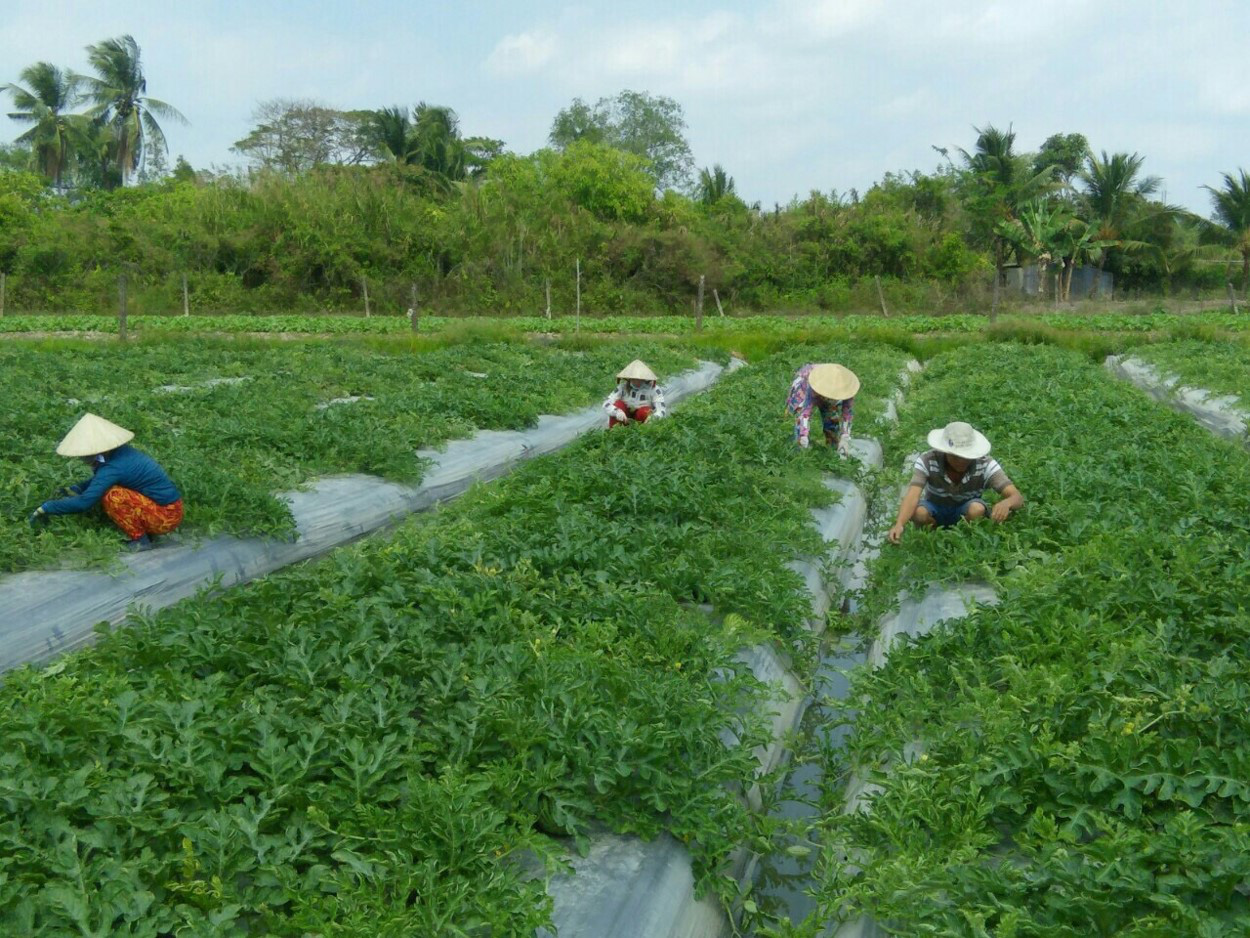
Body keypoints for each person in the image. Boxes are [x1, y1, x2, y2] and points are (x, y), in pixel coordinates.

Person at [29, 413, 184, 552]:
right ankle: (146, 534)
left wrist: (48, 507)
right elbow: (101, 479)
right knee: (112, 489)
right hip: (168, 509)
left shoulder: (113, 467)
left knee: (113, 495)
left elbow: (84, 503)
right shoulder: (120, 453)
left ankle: (140, 540)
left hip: (166, 517)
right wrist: (77, 488)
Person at [887, 420, 1023, 544]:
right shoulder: (928, 461)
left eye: (966, 456)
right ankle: (933, 542)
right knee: (920, 513)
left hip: (966, 509)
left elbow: (1017, 497)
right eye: (956, 457)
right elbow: (913, 495)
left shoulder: (986, 464)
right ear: (945, 451)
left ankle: (964, 542)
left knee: (977, 509)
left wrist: (1007, 502)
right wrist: (900, 523)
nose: (961, 461)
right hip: (935, 507)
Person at [786, 362, 859, 455]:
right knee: (799, 418)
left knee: (831, 418)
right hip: (806, 386)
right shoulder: (813, 384)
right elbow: (805, 412)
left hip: (824, 392)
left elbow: (847, 413)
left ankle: (833, 449)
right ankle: (798, 451)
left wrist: (845, 436)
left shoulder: (847, 388)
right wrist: (803, 435)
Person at [604, 360, 667, 428]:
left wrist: (653, 418)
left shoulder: (654, 389)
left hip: (642, 420)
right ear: (630, 378)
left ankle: (643, 431)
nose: (637, 382)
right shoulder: (622, 388)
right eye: (634, 379)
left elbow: (661, 410)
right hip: (624, 418)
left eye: (640, 379)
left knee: (646, 411)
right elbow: (606, 403)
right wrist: (617, 412)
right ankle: (614, 432)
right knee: (618, 404)